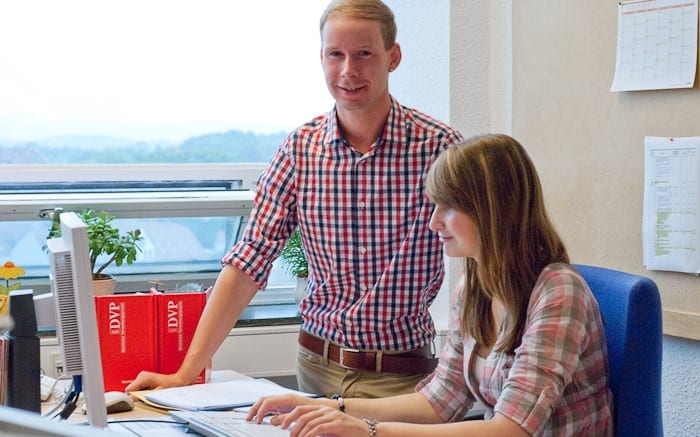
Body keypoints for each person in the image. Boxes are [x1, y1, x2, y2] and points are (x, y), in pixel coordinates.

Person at [126, 0, 463, 398]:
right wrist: (185, 373)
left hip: (407, 377)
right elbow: (249, 261)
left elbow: (487, 256)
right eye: (335, 54)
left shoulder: (440, 148)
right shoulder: (301, 150)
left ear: (394, 57)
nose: (348, 71)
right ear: (321, 58)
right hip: (317, 372)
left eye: (364, 54)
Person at [246, 134, 614, 436]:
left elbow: (511, 430)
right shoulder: (474, 286)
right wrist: (329, 406)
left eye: (448, 207)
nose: (434, 222)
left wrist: (370, 430)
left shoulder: (559, 293)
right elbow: (441, 400)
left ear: (494, 210)